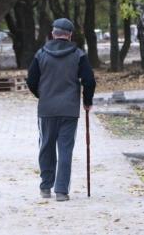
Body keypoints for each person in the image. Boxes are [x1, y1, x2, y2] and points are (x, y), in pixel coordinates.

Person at [26, 18, 96, 202]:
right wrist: (87, 101)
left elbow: (31, 81)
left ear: (53, 33)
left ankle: (45, 187)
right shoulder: (78, 55)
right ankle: (62, 191)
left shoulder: (41, 54)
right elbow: (89, 80)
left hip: (47, 109)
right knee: (65, 149)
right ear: (70, 35)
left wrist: (42, 95)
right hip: (69, 110)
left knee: (46, 146)